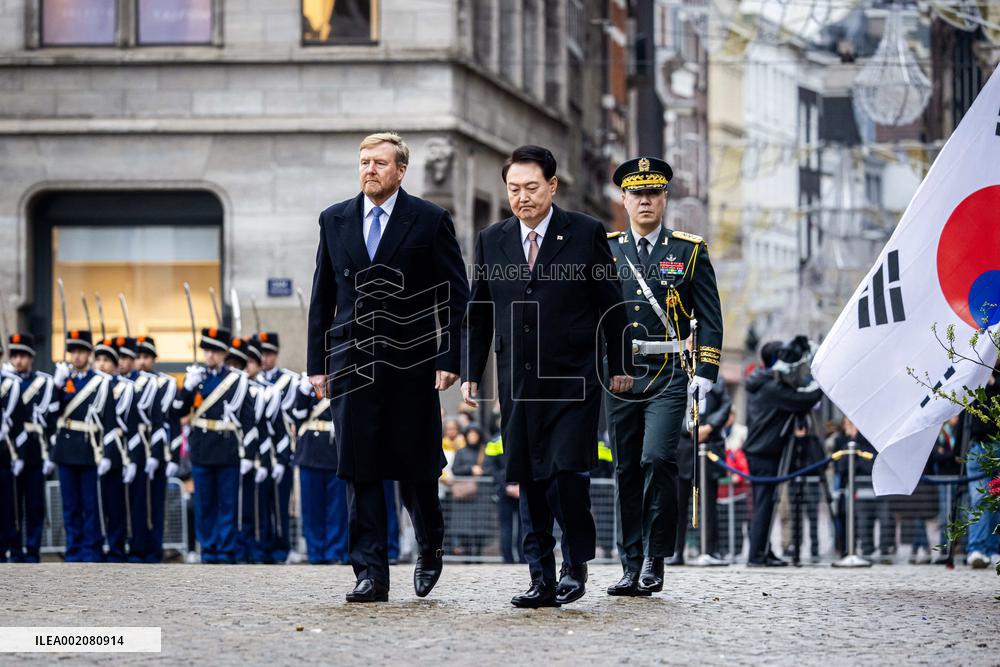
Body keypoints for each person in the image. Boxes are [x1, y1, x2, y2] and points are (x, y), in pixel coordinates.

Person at [462, 144, 632, 608]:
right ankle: (540, 577)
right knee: (528, 480)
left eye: (531, 188)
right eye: (514, 189)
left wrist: (620, 365)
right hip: (518, 381)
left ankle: (576, 561)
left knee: (564, 476)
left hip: (573, 378)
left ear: (552, 187)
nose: (522, 197)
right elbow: (478, 310)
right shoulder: (492, 238)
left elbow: (610, 303)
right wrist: (470, 370)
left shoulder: (585, 232)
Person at [306, 132, 470, 602]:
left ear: (400, 170)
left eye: (380, 162)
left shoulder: (430, 219)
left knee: (415, 466)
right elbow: (323, 297)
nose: (370, 169)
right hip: (352, 362)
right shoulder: (334, 219)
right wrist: (318, 363)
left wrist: (449, 357)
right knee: (361, 469)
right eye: (363, 161)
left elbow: (457, 297)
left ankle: (429, 544)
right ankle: (371, 572)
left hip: (412, 361)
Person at [601, 156, 724, 594]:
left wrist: (706, 369)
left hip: (671, 370)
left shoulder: (689, 250)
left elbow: (709, 315)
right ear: (625, 199)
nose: (645, 201)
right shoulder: (608, 248)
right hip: (621, 372)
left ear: (665, 198)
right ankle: (629, 563)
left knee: (657, 458)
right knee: (626, 468)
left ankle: (655, 557)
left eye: (653, 193)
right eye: (637, 193)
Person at [171, 327, 259, 564]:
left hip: (227, 448)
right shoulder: (196, 379)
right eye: (207, 350)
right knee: (205, 502)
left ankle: (226, 549)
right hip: (202, 448)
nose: (210, 355)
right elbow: (177, 411)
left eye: (215, 351)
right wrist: (188, 388)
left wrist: (249, 455)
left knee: (227, 503)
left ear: (224, 353)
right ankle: (208, 549)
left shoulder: (237, 380)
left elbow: (248, 420)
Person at [743, 337, 823, 567]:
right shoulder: (771, 386)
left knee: (766, 502)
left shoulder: (764, 381)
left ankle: (763, 552)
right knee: (765, 503)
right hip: (764, 451)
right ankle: (757, 556)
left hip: (763, 449)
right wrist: (821, 381)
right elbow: (804, 400)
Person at [49, 330, 118, 562]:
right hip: (66, 449)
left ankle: (91, 550)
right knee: (70, 506)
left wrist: (108, 454)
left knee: (90, 505)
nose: (77, 356)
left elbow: (110, 420)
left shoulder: (101, 382)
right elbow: (50, 416)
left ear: (89, 354)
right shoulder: (62, 380)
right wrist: (56, 387)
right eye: (74, 352)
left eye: (81, 352)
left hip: (90, 449)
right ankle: (74, 549)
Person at [5, 333, 55, 563]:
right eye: (14, 356)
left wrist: (50, 455)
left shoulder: (43, 382)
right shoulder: (5, 383)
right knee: (11, 506)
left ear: (31, 357)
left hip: (35, 451)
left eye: (22, 356)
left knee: (35, 504)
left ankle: (32, 549)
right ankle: (14, 549)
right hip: (11, 452)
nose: (18, 361)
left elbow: (52, 420)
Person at [671, 377, 731, 566]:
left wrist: (709, 427)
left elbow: (726, 405)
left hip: (709, 445)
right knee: (678, 504)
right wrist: (688, 428)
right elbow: (671, 405)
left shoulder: (717, 380)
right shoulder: (678, 375)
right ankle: (676, 551)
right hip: (684, 447)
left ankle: (711, 549)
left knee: (709, 504)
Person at [292, 369, 346, 564]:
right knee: (311, 508)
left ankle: (335, 551)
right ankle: (315, 552)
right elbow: (297, 416)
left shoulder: (344, 379)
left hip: (335, 452)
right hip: (311, 452)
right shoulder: (308, 384)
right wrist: (303, 391)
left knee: (336, 508)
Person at [92, 338, 138, 563]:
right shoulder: (92, 386)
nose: (101, 365)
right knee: (94, 506)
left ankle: (117, 548)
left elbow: (131, 426)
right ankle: (96, 547)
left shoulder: (126, 388)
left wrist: (131, 459)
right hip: (91, 453)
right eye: (98, 359)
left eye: (107, 361)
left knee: (115, 506)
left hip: (118, 454)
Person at [134, 335, 178, 562]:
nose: (142, 361)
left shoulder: (166, 384)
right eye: (138, 357)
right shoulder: (129, 382)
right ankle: (137, 548)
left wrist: (173, 458)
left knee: (157, 505)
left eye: (146, 357)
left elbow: (173, 422)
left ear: (154, 359)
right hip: (134, 453)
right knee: (136, 505)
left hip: (159, 454)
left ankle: (154, 549)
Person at [257, 331, 299, 563]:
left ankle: (282, 548)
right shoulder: (251, 381)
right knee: (261, 504)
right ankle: (263, 547)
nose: (265, 358)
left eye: (269, 353)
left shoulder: (289, 380)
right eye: (262, 353)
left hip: (282, 449)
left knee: (281, 504)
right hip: (260, 452)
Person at [117, 336, 159, 563]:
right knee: (116, 504)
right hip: (115, 451)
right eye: (120, 357)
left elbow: (155, 420)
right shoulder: (112, 382)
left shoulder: (146, 383)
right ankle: (119, 546)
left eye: (127, 357)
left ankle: (138, 548)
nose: (123, 362)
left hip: (140, 449)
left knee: (139, 504)